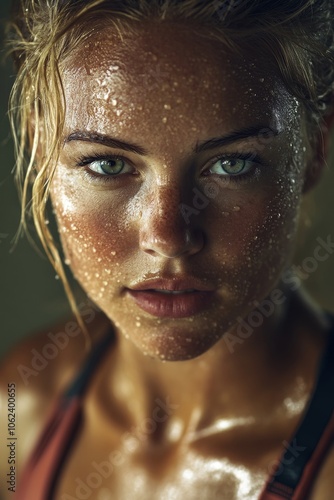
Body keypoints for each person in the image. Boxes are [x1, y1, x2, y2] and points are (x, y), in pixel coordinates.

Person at [1, 0, 334, 498]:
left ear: (314, 151)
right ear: (38, 146)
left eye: (232, 165)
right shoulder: (22, 403)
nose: (168, 237)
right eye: (109, 165)